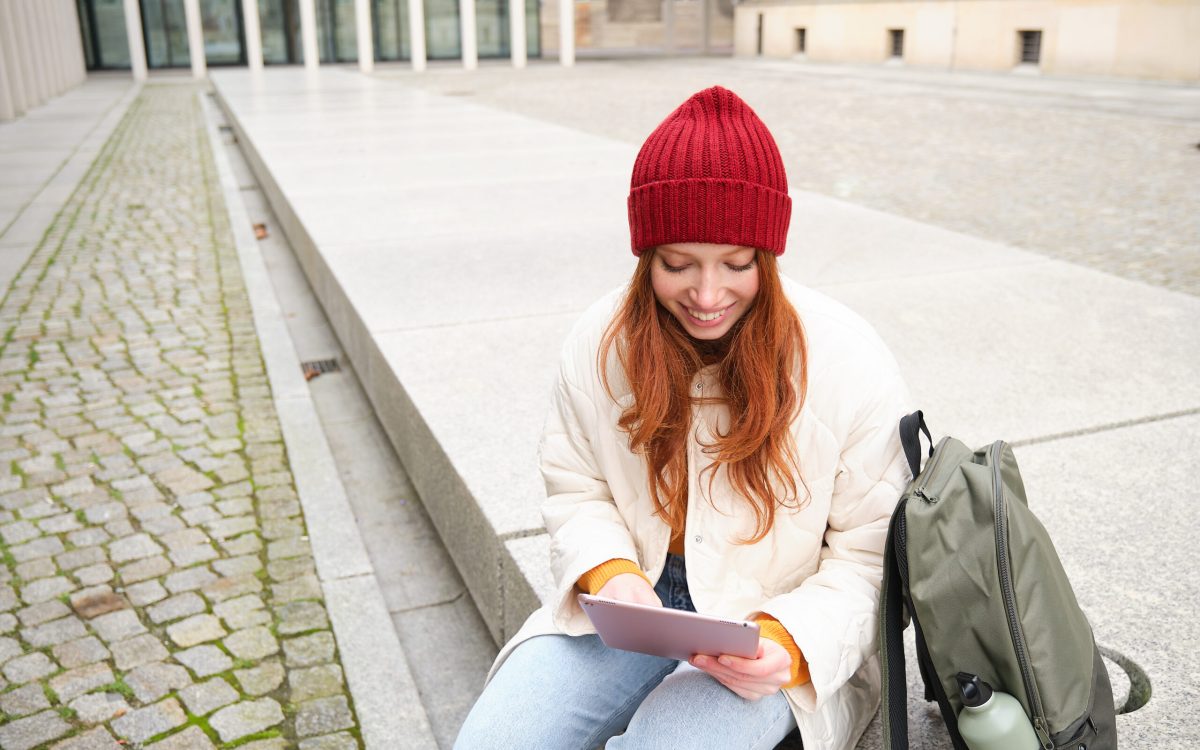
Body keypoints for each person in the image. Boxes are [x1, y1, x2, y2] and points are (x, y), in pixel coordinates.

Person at [455, 86, 912, 750]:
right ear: (646, 255)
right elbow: (577, 487)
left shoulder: (847, 359)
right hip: (635, 600)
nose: (706, 294)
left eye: (736, 263)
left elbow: (873, 557)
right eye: (677, 264)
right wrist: (609, 571)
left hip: (773, 618)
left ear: (768, 256)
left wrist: (788, 643)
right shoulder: (601, 340)